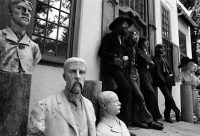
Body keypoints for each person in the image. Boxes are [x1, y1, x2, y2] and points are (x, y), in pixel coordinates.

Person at [27, 57, 96, 136]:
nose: (77, 76)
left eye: (81, 72)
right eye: (73, 71)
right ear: (64, 76)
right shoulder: (43, 106)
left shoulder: (89, 105)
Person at [124, 32, 163, 130]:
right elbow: (131, 60)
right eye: (134, 35)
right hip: (130, 74)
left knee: (137, 98)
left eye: (137, 36)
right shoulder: (128, 47)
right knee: (140, 98)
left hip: (136, 73)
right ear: (129, 37)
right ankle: (150, 120)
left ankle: (137, 119)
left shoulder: (134, 48)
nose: (136, 37)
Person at [98, 16, 133, 125]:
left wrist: (124, 59)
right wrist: (114, 56)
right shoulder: (109, 37)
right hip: (111, 68)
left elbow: (124, 55)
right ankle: (124, 123)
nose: (126, 28)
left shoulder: (121, 39)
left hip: (120, 69)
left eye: (127, 26)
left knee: (126, 91)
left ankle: (122, 122)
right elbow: (101, 53)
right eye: (124, 25)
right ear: (117, 25)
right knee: (127, 89)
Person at [0, 0, 41, 74]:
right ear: (10, 11)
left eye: (29, 11)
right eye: (20, 8)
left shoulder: (34, 47)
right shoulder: (0, 37)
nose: (26, 13)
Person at [136, 37, 163, 124]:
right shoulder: (139, 50)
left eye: (148, 41)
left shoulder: (148, 53)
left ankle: (152, 118)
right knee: (151, 93)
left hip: (148, 75)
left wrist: (149, 63)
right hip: (141, 74)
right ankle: (154, 118)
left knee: (149, 95)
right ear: (142, 42)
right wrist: (149, 62)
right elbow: (142, 59)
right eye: (146, 41)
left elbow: (152, 65)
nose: (147, 43)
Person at [152, 44, 181, 123]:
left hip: (169, 80)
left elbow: (169, 68)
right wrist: (163, 80)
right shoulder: (155, 58)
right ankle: (177, 111)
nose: (163, 49)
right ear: (157, 49)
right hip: (162, 81)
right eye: (161, 48)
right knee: (169, 96)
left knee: (168, 98)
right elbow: (157, 71)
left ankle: (167, 116)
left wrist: (171, 75)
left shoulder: (165, 58)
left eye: (163, 47)